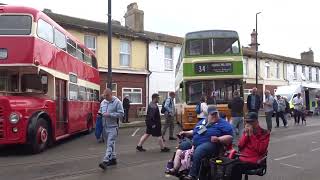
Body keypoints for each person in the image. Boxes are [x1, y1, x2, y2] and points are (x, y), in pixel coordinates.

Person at [178, 107, 234, 180]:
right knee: (183, 145)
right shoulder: (205, 123)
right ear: (208, 115)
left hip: (213, 144)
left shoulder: (223, 123)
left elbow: (230, 137)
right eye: (212, 114)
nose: (214, 116)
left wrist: (219, 139)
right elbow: (195, 132)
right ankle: (178, 169)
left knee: (200, 150)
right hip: (196, 143)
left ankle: (192, 175)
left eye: (215, 114)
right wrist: (186, 132)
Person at [230, 112, 270, 180]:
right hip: (243, 157)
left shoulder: (264, 133)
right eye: (247, 122)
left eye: (251, 121)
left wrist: (251, 135)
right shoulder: (246, 131)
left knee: (235, 167)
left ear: (257, 121)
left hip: (255, 160)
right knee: (227, 164)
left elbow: (260, 150)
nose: (249, 124)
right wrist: (246, 135)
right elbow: (240, 146)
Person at [99, 88, 124, 170]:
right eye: (104, 96)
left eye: (107, 96)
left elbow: (121, 114)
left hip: (113, 127)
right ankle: (113, 159)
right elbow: (101, 111)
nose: (105, 97)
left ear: (111, 94)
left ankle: (105, 161)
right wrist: (99, 114)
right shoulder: (103, 102)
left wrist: (110, 114)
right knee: (111, 143)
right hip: (105, 126)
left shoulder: (117, 102)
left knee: (109, 144)